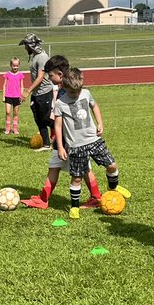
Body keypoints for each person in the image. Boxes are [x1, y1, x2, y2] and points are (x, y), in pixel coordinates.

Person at [21, 55, 103, 209]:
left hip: (69, 142)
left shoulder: (65, 93)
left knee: (71, 167)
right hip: (68, 140)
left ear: (59, 74)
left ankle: (45, 199)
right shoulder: (66, 89)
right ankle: (94, 197)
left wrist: (62, 143)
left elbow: (70, 121)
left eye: (50, 75)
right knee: (72, 167)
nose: (49, 78)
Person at [53, 67, 129, 220]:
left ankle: (112, 187)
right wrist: (61, 146)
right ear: (64, 87)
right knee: (77, 178)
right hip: (76, 146)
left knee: (112, 165)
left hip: (94, 140)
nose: (75, 95)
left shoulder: (86, 93)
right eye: (72, 92)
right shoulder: (60, 103)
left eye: (77, 92)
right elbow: (58, 126)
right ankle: (74, 207)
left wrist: (100, 123)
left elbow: (94, 106)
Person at [22, 34, 53, 151]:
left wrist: (28, 91)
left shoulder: (42, 57)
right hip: (36, 93)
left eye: (26, 46)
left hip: (44, 92)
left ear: (31, 46)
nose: (25, 48)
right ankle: (46, 144)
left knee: (45, 119)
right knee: (38, 118)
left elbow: (40, 77)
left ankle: (65, 134)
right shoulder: (34, 56)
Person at [2, 58, 23, 135]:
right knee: (8, 112)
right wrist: (3, 96)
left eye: (17, 66)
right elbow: (4, 85)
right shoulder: (7, 74)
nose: (15, 67)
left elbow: (22, 86)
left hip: (17, 97)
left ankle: (15, 129)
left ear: (19, 65)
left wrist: (21, 96)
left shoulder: (20, 75)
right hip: (8, 96)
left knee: (16, 113)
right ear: (11, 65)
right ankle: (7, 129)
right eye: (14, 65)